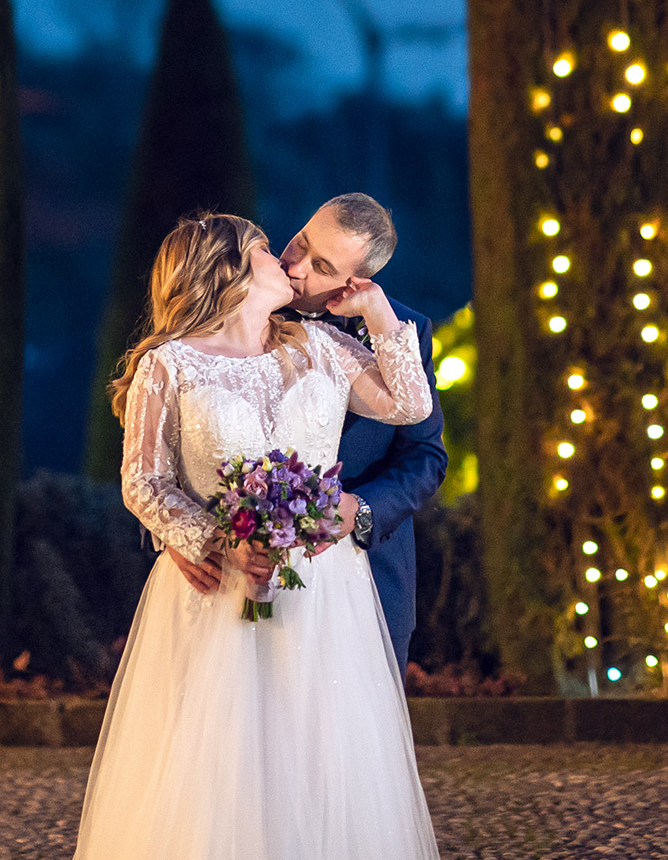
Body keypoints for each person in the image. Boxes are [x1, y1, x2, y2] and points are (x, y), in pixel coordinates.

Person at [74, 212, 439, 860]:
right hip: (221, 592)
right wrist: (215, 541)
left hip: (328, 592)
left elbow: (410, 408)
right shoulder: (169, 364)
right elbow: (144, 482)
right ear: (230, 273)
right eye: (272, 250)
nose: (289, 264)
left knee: (322, 765)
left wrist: (379, 311)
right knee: (220, 770)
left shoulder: (318, 345)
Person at [162, 193, 445, 674]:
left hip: (364, 570)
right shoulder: (244, 301)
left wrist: (360, 509)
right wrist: (178, 533)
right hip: (237, 568)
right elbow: (166, 445)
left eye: (322, 265)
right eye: (300, 243)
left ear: (355, 281)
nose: (295, 267)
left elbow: (425, 454)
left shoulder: (401, 329)